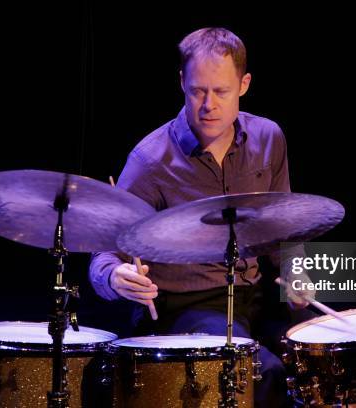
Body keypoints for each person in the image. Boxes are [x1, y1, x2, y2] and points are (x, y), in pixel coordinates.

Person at [89, 27, 312, 407]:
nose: (208, 104)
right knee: (263, 372)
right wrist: (115, 276)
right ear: (181, 82)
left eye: (221, 91)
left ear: (244, 84)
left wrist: (298, 272)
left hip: (254, 298)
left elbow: (283, 228)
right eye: (197, 90)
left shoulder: (269, 138)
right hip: (185, 308)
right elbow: (104, 255)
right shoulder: (149, 161)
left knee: (334, 348)